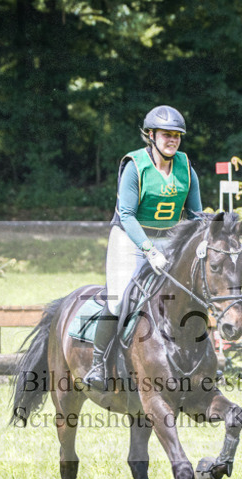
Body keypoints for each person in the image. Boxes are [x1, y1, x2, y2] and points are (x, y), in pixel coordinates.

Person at [84, 105, 203, 390]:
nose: (173, 140)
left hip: (169, 240)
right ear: (151, 135)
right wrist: (149, 250)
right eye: (166, 134)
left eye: (177, 135)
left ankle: (199, 361)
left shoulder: (186, 168)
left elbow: (195, 215)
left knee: (190, 294)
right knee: (119, 299)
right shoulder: (135, 166)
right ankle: (98, 364)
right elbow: (126, 215)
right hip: (130, 239)